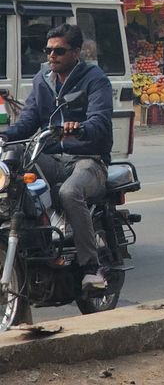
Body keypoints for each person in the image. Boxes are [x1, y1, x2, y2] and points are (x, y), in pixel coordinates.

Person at [2, 24, 114, 290]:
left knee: (69, 193)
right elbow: (29, 119)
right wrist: (6, 136)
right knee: (12, 163)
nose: (52, 56)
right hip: (50, 157)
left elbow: (100, 121)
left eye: (59, 51)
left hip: (88, 160)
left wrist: (81, 127)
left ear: (76, 52)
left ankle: (91, 267)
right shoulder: (43, 79)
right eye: (48, 50)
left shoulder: (95, 79)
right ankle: (33, 235)